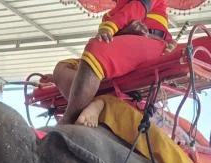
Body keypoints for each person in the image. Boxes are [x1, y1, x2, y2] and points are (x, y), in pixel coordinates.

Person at [49, 0, 174, 128]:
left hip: (151, 42)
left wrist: (109, 28)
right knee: (62, 67)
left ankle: (69, 119)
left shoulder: (118, 16)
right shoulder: (111, 14)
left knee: (96, 49)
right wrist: (122, 31)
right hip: (126, 49)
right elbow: (115, 36)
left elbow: (136, 8)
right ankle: (96, 103)